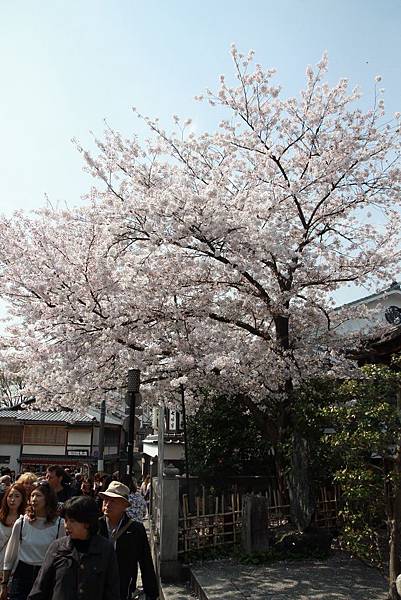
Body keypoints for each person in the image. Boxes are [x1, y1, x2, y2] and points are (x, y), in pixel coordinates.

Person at [27, 496, 120, 600]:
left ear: (87, 523)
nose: (67, 525)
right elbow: (40, 588)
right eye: (66, 520)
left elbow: (112, 591)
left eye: (72, 521)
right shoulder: (57, 548)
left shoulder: (105, 549)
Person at [0, 481, 65, 600]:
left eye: (38, 495)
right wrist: (4, 584)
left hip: (46, 575)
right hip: (22, 574)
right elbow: (10, 556)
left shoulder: (59, 524)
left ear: (48, 499)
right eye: (32, 495)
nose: (34, 499)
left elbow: (62, 556)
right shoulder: (22, 522)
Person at [98, 481, 158, 600]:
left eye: (113, 501)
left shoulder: (136, 529)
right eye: (105, 500)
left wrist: (151, 593)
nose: (107, 504)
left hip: (123, 588)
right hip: (97, 587)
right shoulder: (95, 526)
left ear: (124, 506)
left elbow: (145, 562)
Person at [0, 483, 26, 568]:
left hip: (15, 566)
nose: (12, 499)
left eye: (17, 496)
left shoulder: (26, 520)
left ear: (22, 499)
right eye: (10, 496)